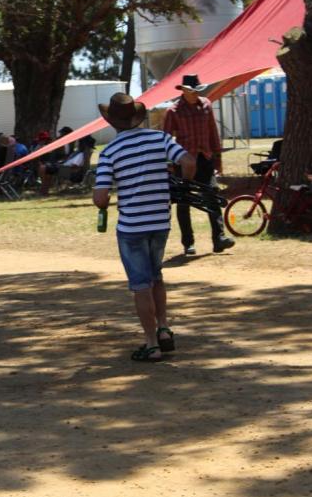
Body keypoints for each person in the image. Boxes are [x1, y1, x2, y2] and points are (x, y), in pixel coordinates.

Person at [93, 92, 196, 362]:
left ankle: (151, 344)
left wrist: (104, 203)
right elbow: (188, 162)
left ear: (112, 121)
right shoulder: (159, 138)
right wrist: (182, 187)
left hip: (131, 226)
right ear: (136, 116)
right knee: (156, 277)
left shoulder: (110, 152)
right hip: (160, 221)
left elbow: (100, 197)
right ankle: (163, 328)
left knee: (140, 285)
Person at [163, 74, 235, 255]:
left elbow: (213, 132)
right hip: (184, 161)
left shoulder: (206, 105)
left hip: (205, 158)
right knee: (184, 201)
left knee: (212, 194)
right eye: (192, 91)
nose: (195, 94)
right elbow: (165, 138)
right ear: (184, 90)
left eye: (197, 91)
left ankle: (219, 239)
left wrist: (218, 158)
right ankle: (188, 243)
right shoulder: (173, 111)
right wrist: (169, 162)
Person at [37, 126, 74, 196]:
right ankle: (44, 190)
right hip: (56, 162)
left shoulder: (72, 142)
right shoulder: (58, 141)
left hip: (65, 163)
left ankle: (44, 190)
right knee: (44, 169)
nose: (60, 135)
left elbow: (70, 153)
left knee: (46, 170)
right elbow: (54, 154)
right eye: (61, 133)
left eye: (62, 133)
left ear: (67, 134)